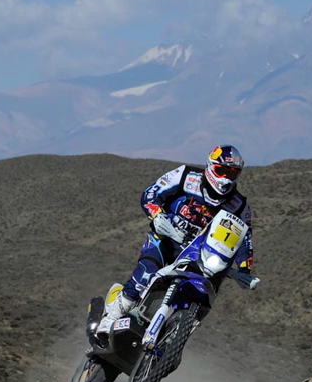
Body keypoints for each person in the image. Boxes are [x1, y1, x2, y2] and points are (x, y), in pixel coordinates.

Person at [96, 144, 256, 336]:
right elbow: (151, 193)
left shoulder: (239, 206)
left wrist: (245, 269)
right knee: (145, 275)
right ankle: (109, 320)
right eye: (221, 171)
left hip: (200, 256)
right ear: (210, 166)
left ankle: (173, 339)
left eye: (232, 173)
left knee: (204, 294)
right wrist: (157, 215)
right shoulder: (186, 175)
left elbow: (244, 239)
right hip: (166, 239)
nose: (225, 178)